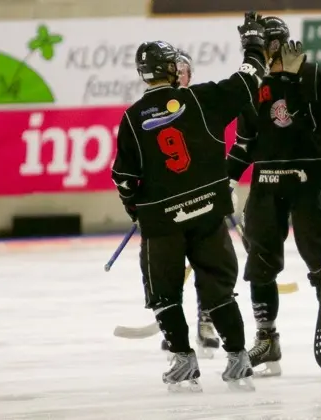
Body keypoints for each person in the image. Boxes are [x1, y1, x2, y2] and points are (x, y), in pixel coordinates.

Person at [111, 11, 270, 392]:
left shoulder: (132, 118)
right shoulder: (202, 100)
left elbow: (123, 178)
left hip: (162, 222)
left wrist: (137, 208)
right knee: (218, 288)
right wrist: (253, 42)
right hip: (207, 212)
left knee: (164, 292)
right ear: (171, 69)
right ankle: (237, 357)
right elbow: (250, 77)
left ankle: (183, 360)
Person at [226, 16, 321, 377]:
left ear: (276, 43)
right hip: (267, 180)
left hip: (310, 178)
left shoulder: (311, 74)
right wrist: (221, 180)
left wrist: (292, 83)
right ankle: (267, 338)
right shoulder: (251, 82)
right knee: (260, 262)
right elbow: (245, 143)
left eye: (263, 44)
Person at [159, 49, 221, 360]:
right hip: (169, 203)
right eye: (174, 70)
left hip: (203, 199)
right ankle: (173, 326)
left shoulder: (202, 102)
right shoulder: (150, 109)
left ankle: (206, 320)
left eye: (183, 70)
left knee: (208, 264)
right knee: (169, 267)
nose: (178, 75)